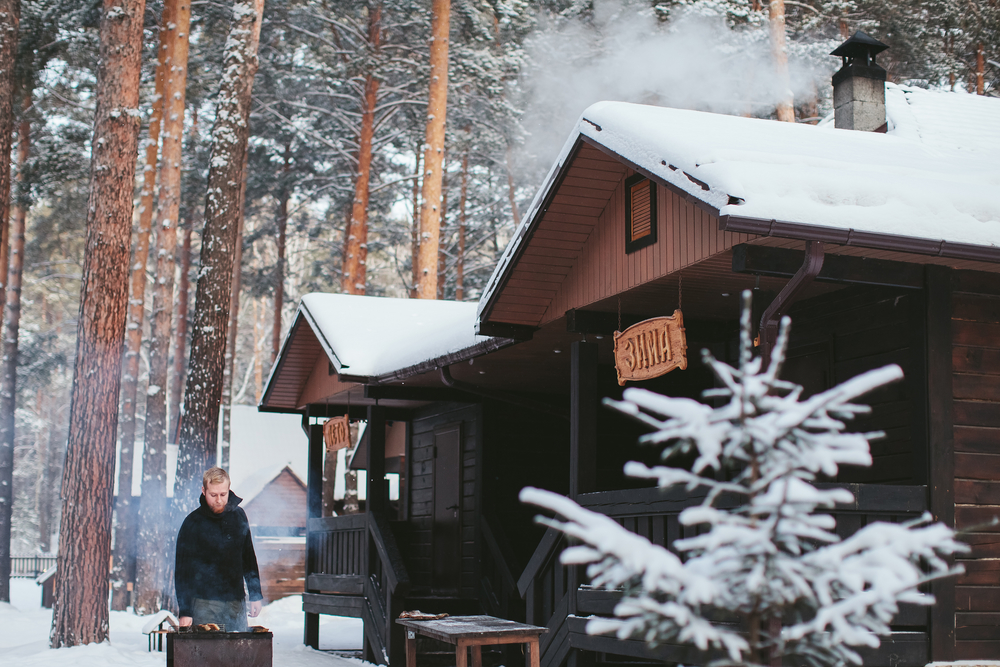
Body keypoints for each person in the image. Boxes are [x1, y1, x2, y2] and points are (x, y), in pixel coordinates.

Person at [175, 467, 263, 631]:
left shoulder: (239, 517)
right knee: (206, 653)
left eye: (223, 494)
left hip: (235, 602)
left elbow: (248, 557)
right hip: (203, 603)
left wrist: (255, 594)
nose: (219, 500)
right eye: (213, 495)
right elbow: (182, 572)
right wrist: (185, 611)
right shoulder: (192, 523)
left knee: (237, 653)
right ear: (203, 491)